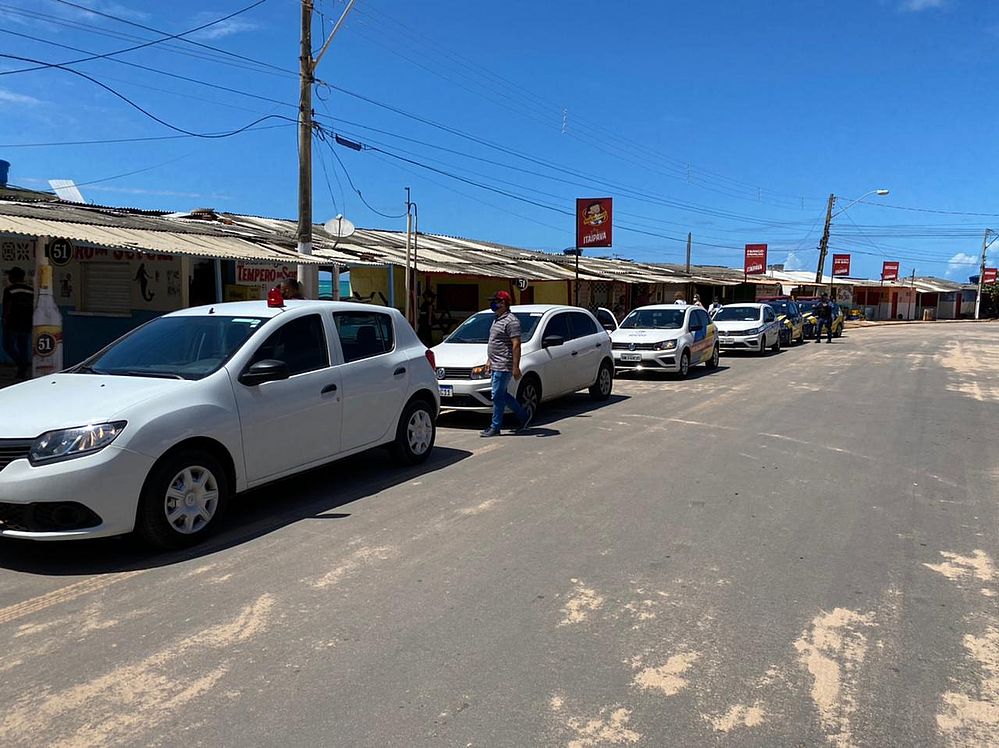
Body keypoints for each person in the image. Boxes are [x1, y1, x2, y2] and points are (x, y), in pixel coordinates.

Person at [481, 290, 532, 437]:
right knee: (501, 394)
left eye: (495, 301)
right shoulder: (497, 319)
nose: (492, 304)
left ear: (503, 303)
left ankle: (495, 426)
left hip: (504, 364)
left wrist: (515, 367)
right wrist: (489, 360)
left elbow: (516, 344)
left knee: (497, 396)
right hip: (495, 363)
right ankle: (523, 416)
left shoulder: (511, 321)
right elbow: (495, 342)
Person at [2, 267, 34, 380]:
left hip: (13, 323)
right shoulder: (31, 290)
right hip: (27, 323)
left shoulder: (9, 290)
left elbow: (7, 307)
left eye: (10, 276)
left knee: (8, 346)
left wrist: (4, 318)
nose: (8, 278)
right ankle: (22, 369)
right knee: (23, 347)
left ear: (14, 277)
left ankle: (21, 365)